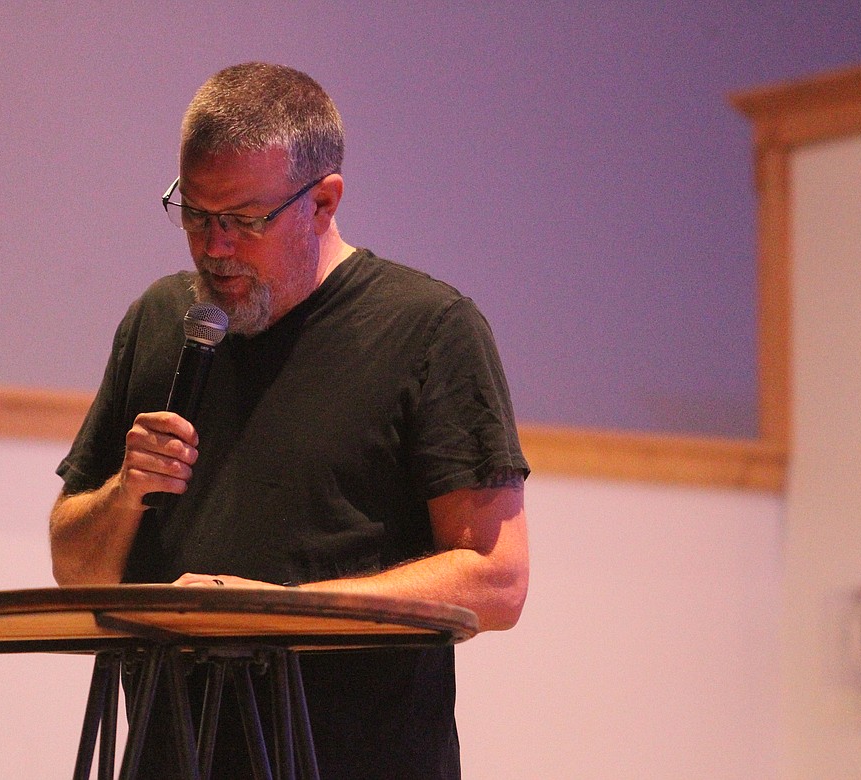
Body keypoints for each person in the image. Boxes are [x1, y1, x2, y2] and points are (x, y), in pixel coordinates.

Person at [50, 62, 529, 779]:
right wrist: (124, 493)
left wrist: (278, 614)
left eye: (244, 220)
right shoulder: (160, 321)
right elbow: (73, 568)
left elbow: (497, 578)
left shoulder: (429, 330)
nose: (214, 247)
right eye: (195, 215)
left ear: (324, 201)